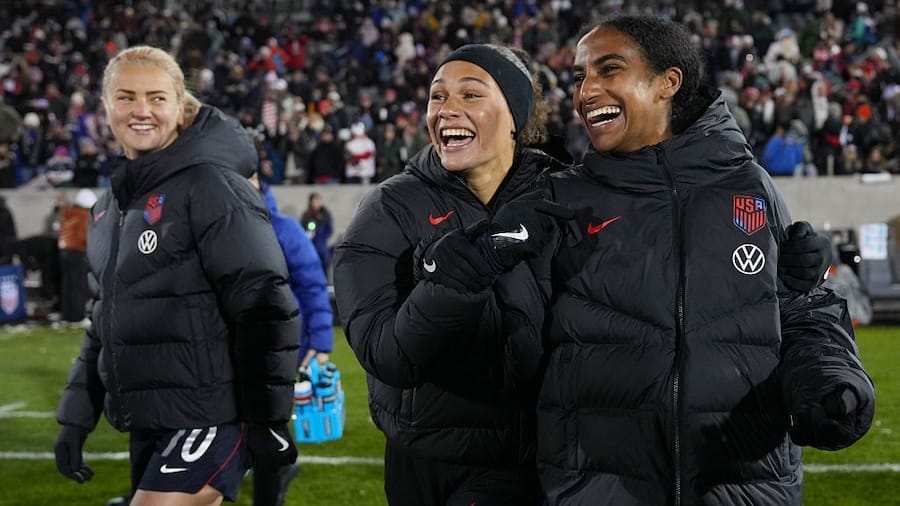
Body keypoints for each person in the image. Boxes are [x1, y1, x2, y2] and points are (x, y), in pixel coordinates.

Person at [525, 15, 875, 504]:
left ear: (669, 82)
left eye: (608, 69)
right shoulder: (562, 198)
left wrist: (831, 383)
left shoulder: (747, 185)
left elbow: (793, 312)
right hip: (601, 488)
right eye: (581, 76)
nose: (586, 90)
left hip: (743, 487)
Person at [53, 45, 300, 506]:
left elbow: (264, 300)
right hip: (151, 415)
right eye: (126, 97)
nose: (141, 110)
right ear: (105, 106)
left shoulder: (210, 184)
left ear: (180, 105)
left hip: (212, 410)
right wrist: (76, 418)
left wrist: (268, 418)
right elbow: (102, 321)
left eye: (156, 98)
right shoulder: (108, 208)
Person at [333, 43, 571, 506]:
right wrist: (469, 266)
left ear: (515, 116)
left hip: (548, 457)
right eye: (437, 97)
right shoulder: (390, 209)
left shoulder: (565, 197)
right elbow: (386, 353)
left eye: (471, 95)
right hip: (429, 463)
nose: (447, 110)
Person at [248, 171, 334, 506]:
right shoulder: (218, 225)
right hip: (229, 349)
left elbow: (313, 286)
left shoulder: (284, 229)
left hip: (278, 346)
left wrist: (322, 341)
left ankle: (272, 487)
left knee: (271, 426)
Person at [56, 188, 96, 325]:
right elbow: (85, 236)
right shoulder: (84, 215)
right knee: (79, 285)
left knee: (68, 285)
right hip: (77, 251)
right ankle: (77, 316)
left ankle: (67, 315)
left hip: (64, 252)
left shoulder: (68, 213)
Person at [299, 192, 333, 274]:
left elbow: (329, 229)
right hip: (311, 245)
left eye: (318, 201)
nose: (317, 204)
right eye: (315, 201)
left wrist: (322, 235)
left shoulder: (326, 214)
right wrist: (308, 234)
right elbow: (301, 229)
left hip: (322, 245)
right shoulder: (306, 215)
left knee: (325, 263)